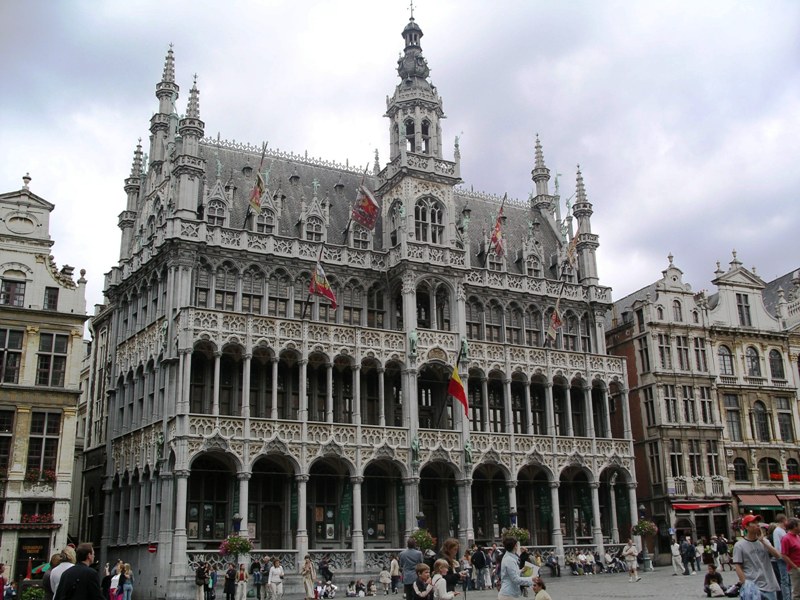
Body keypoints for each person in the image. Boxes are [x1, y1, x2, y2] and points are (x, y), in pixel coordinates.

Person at [734, 514, 797, 600]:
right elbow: (738, 566)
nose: (757, 525)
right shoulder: (739, 545)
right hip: (752, 586)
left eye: (757, 522)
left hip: (768, 585)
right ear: (746, 526)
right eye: (753, 523)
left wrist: (763, 541)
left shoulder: (764, 541)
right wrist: (745, 583)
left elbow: (777, 555)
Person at [774, 515, 792, 600]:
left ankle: (789, 596)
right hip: (782, 558)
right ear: (783, 520)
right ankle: (786, 598)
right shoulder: (777, 531)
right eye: (786, 520)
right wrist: (781, 556)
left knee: (788, 579)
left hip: (786, 558)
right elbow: (778, 546)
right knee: (785, 580)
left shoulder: (782, 530)